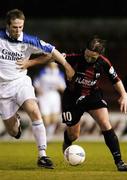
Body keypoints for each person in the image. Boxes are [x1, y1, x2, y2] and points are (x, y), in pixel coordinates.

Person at [0, 9, 74, 169]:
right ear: (7, 25)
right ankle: (16, 122)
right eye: (14, 27)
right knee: (13, 133)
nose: (18, 30)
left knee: (34, 110)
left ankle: (43, 155)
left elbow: (52, 53)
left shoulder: (28, 40)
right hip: (2, 89)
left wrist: (66, 66)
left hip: (20, 82)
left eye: (21, 27)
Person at [61, 36, 127, 171]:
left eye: (93, 58)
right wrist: (29, 63)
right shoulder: (73, 57)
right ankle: (67, 142)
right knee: (74, 135)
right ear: (85, 50)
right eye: (87, 55)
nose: (89, 59)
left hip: (92, 95)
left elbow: (116, 80)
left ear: (99, 55)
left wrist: (124, 94)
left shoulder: (103, 62)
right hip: (72, 98)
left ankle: (119, 162)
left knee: (105, 123)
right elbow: (52, 55)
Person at [33, 62, 66, 142]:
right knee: (46, 120)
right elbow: (36, 84)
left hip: (54, 96)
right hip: (44, 96)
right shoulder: (42, 72)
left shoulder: (59, 73)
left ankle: (49, 137)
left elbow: (63, 87)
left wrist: (59, 87)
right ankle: (42, 135)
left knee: (54, 119)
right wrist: (38, 90)